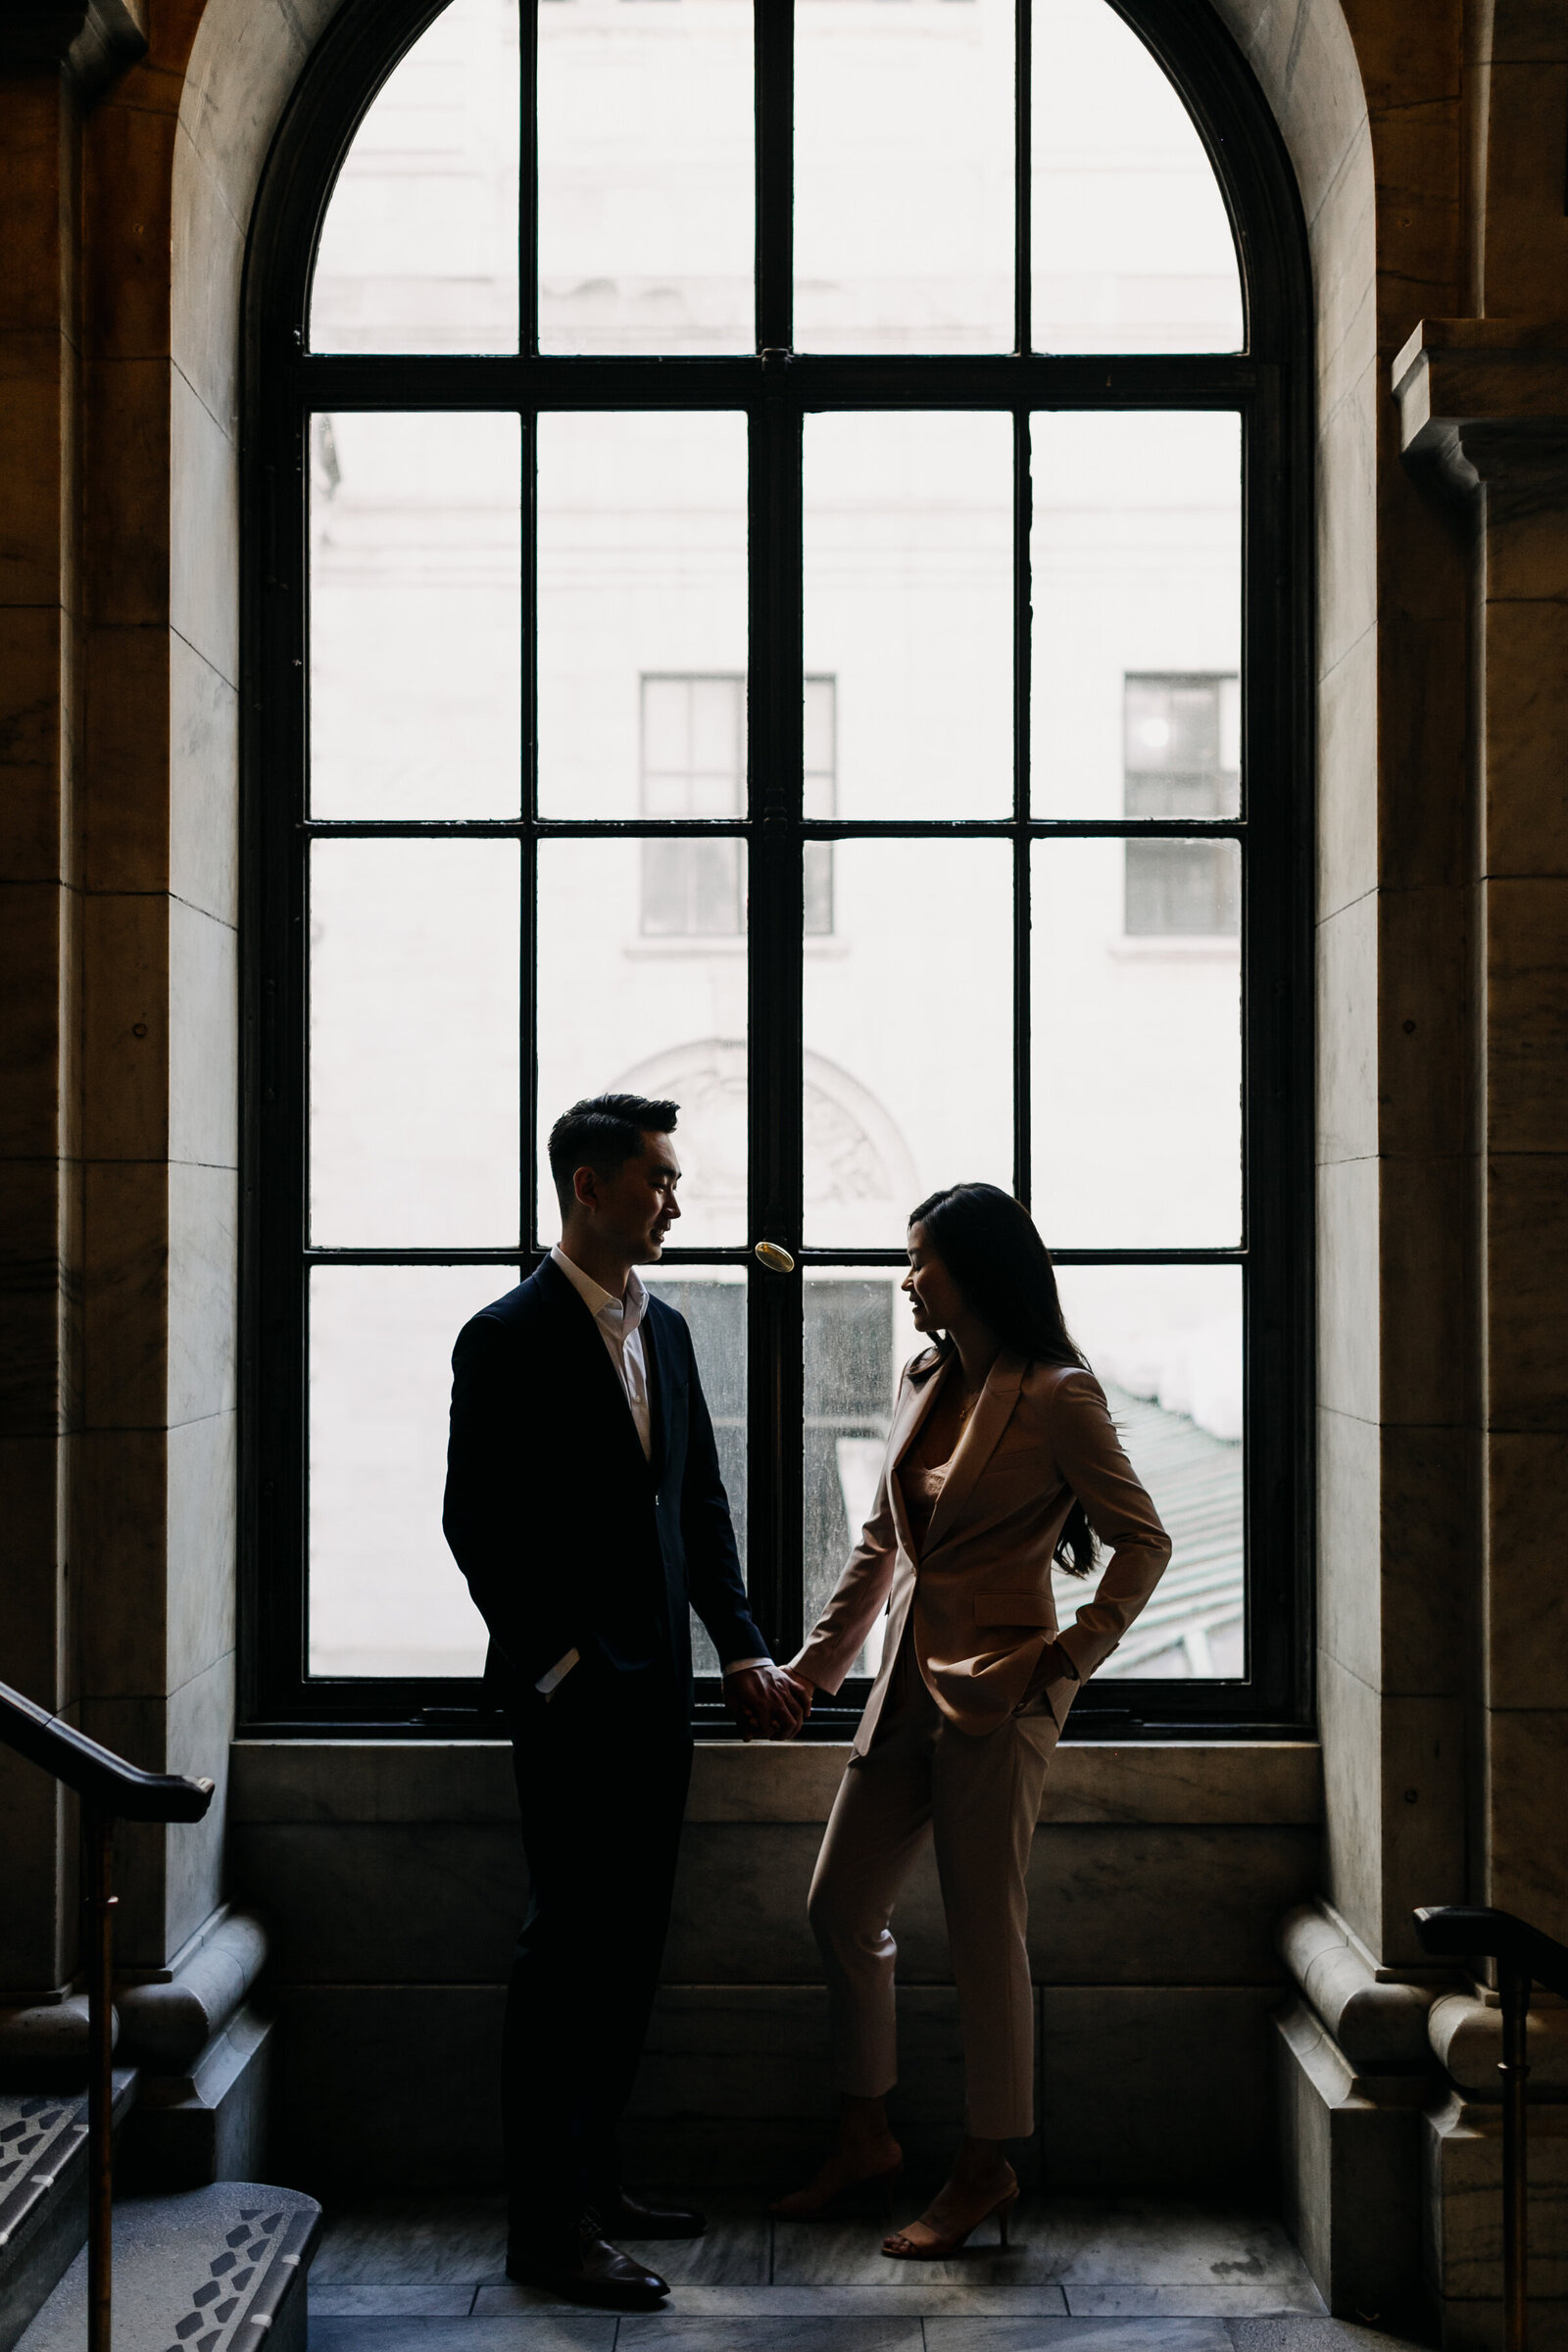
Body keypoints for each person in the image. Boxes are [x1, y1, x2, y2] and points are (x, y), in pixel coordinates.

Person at [442, 1093, 805, 2310]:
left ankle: (599, 2186)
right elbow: (476, 1527)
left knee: (630, 1953)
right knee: (565, 1959)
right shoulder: (505, 1336)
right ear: (586, 1188)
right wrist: (559, 1669)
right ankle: (545, 2232)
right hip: (572, 1707)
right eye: (654, 1177)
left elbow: (696, 1516)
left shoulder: (676, 1332)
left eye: (672, 1176)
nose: (675, 1197)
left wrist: (744, 1651)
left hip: (665, 1709)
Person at [772, 1183, 1171, 2258]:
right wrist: (815, 1671)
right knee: (838, 1905)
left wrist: (1068, 1661)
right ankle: (866, 2135)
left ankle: (985, 2165)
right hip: (900, 1682)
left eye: (921, 1263)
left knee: (986, 1936)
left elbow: (1143, 1542)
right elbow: (879, 1543)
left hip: (1002, 1698)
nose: (905, 1281)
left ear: (975, 1270)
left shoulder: (1057, 1394)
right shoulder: (922, 1373)